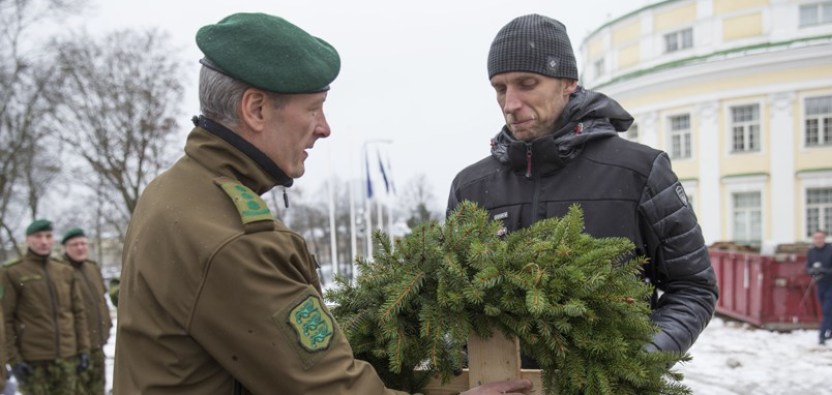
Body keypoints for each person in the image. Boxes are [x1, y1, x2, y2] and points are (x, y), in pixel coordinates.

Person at [113, 12, 532, 395]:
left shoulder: (176, 191)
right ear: (256, 108)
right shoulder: (230, 239)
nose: (324, 128)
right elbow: (329, 387)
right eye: (314, 109)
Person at [447, 14, 719, 362]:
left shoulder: (640, 172)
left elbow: (693, 288)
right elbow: (450, 300)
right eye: (500, 89)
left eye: (526, 83)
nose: (510, 104)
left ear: (568, 83)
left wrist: (635, 366)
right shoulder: (470, 187)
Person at [1, 219, 90, 395]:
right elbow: (6, 318)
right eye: (38, 236)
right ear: (28, 240)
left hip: (67, 356)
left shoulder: (64, 270)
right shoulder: (13, 272)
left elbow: (78, 313)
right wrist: (14, 359)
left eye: (48, 236)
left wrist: (83, 349)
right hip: (33, 361)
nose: (43, 241)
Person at [60, 227, 112, 394]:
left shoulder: (92, 268)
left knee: (98, 389)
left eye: (83, 243)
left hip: (98, 342)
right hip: (76, 348)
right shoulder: (61, 271)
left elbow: (101, 301)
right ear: (65, 248)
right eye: (74, 244)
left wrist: (108, 326)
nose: (80, 247)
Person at [806, 229, 832, 345]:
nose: (818, 240)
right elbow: (807, 267)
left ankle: (822, 336)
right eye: (816, 238)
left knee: (826, 310)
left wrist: (824, 271)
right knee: (827, 310)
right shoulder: (811, 252)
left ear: (825, 238)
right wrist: (812, 271)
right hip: (820, 285)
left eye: (820, 237)